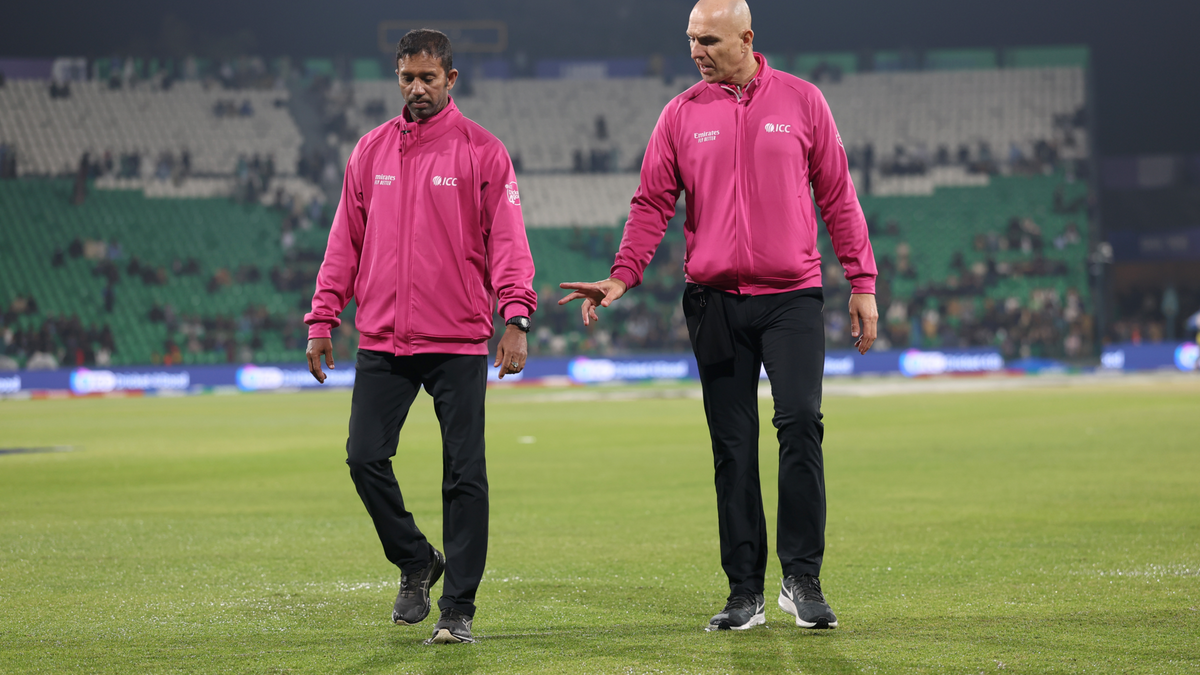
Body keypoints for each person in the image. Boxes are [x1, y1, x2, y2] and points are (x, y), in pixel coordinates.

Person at [560, 0, 878, 632]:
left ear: (747, 38)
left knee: (801, 425)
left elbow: (838, 193)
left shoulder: (803, 101)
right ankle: (744, 593)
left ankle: (801, 579)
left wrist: (861, 282)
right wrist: (622, 276)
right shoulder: (680, 113)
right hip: (713, 302)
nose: (695, 50)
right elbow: (651, 201)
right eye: (690, 40)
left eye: (707, 39)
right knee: (732, 448)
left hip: (792, 296)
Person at [305, 29, 537, 645]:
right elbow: (343, 243)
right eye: (407, 77)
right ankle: (416, 559)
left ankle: (457, 607)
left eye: (428, 78)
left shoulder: (482, 151)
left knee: (464, 475)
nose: (416, 88)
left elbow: (509, 243)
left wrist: (515, 317)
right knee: (363, 457)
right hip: (383, 338)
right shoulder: (370, 150)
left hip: (457, 339)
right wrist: (322, 316)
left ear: (451, 80)